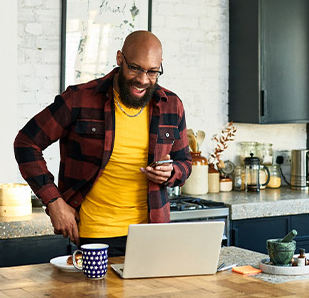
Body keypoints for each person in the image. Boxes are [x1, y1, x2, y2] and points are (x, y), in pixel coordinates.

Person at [14, 31, 192, 256]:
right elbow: (26, 143)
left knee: (152, 293)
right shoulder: (79, 99)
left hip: (152, 234)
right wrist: (54, 201)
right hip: (96, 236)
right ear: (120, 59)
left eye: (152, 71)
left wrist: (172, 171)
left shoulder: (171, 105)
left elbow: (185, 162)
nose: (143, 79)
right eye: (135, 68)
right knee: (96, 293)